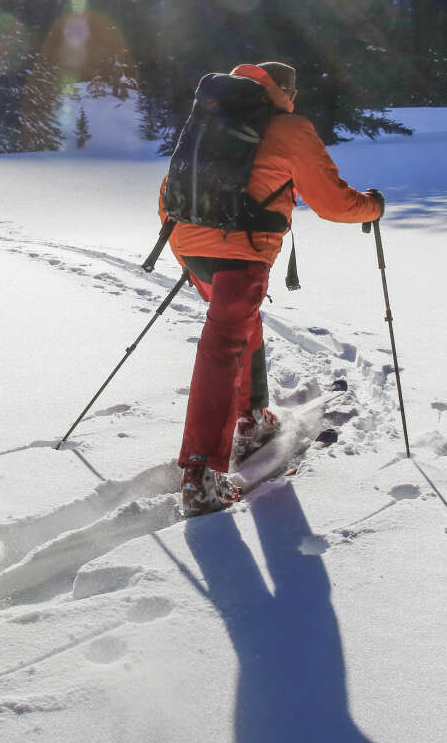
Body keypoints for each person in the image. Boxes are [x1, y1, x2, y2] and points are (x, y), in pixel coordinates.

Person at [162, 62, 384, 517]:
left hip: (188, 242)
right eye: (294, 90)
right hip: (241, 253)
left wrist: (189, 249)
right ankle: (200, 475)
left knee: (243, 324)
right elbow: (333, 202)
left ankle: (251, 418)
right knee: (223, 345)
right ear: (284, 91)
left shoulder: (208, 119)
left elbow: (170, 189)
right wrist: (373, 207)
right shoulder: (288, 128)